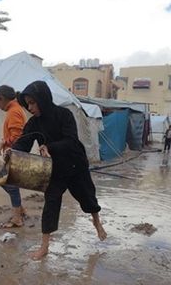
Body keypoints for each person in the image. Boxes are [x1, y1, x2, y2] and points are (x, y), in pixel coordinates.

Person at [11, 80, 107, 260]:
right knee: (51, 204)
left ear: (43, 99)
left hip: (75, 165)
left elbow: (71, 140)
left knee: (88, 198)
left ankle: (96, 222)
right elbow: (23, 141)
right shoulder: (34, 123)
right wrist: (12, 152)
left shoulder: (64, 115)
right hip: (54, 170)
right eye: (27, 104)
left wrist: (49, 147)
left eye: (32, 102)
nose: (29, 107)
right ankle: (44, 246)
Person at [0, 85, 27, 228]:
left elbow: (17, 136)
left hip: (15, 154)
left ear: (1, 98)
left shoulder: (14, 112)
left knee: (8, 183)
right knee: (4, 180)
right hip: (14, 153)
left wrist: (4, 143)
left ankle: (17, 218)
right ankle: (20, 209)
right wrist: (3, 142)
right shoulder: (15, 109)